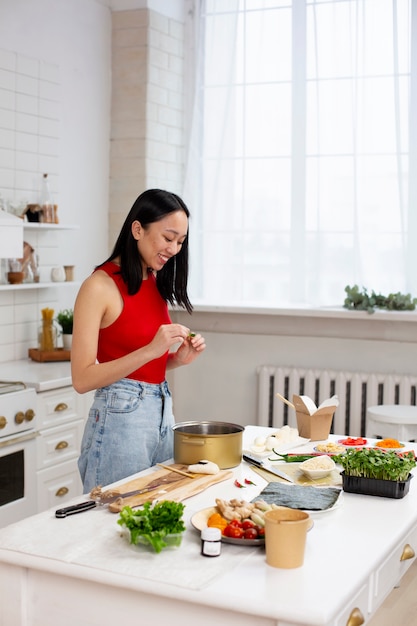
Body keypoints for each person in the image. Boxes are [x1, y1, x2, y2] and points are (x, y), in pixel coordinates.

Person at [71, 189, 206, 493]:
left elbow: (142, 366)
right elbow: (82, 378)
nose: (174, 249)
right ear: (137, 229)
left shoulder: (152, 279)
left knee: (152, 514)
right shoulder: (98, 286)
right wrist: (151, 350)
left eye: (180, 242)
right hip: (119, 418)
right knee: (110, 521)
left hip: (160, 410)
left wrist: (176, 359)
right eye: (168, 238)